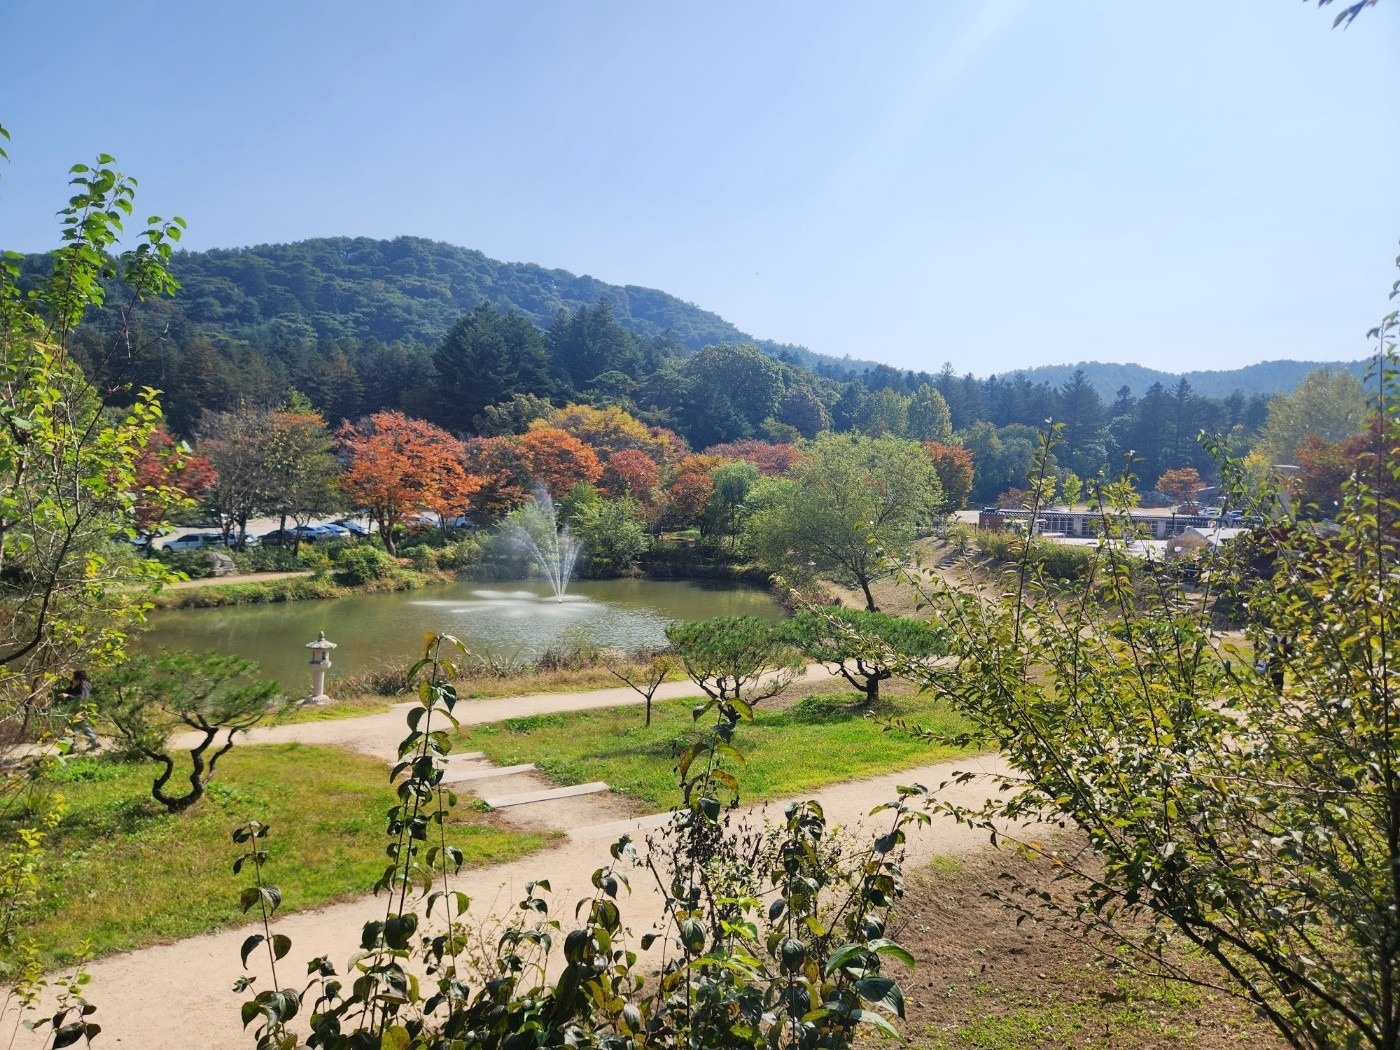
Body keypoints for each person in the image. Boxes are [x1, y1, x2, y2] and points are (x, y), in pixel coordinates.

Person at [62, 669, 100, 751]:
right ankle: (94, 743)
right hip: (85, 709)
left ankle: (70, 749)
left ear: (78, 679)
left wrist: (68, 696)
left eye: (73, 678)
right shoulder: (87, 685)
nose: (72, 679)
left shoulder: (81, 688)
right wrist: (72, 687)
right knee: (85, 728)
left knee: (72, 729)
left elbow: (79, 698)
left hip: (79, 710)